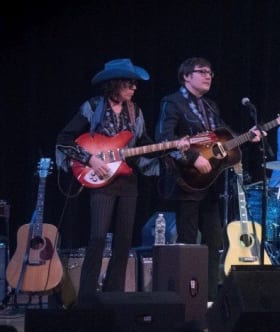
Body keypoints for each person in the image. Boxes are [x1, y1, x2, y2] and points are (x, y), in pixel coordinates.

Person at [56, 58, 189, 303]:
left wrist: (172, 146)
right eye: (130, 83)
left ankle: (113, 298)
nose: (134, 88)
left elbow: (145, 143)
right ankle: (87, 300)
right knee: (97, 238)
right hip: (102, 181)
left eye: (135, 84)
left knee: (124, 241)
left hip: (127, 181)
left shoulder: (134, 111)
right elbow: (64, 139)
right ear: (115, 84)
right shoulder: (93, 106)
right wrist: (90, 160)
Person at [155, 57, 261, 301]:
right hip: (188, 181)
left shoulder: (211, 106)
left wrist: (248, 136)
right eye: (202, 71)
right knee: (188, 242)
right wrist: (192, 158)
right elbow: (164, 138)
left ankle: (210, 300)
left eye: (210, 72)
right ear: (186, 76)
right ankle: (184, 300)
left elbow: (224, 139)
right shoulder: (172, 103)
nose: (208, 76)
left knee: (213, 243)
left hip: (210, 185)